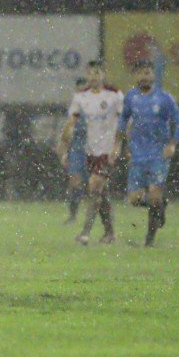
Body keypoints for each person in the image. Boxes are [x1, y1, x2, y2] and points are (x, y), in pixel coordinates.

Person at [115, 59, 179, 246]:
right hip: (137, 155)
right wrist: (121, 145)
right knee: (134, 199)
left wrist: (172, 144)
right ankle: (160, 205)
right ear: (135, 76)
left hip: (158, 155)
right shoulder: (131, 97)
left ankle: (149, 240)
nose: (144, 76)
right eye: (141, 73)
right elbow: (123, 120)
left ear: (153, 75)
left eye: (147, 73)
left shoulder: (164, 98)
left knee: (154, 194)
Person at [57, 61, 123, 245]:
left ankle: (85, 233)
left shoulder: (114, 94)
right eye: (90, 73)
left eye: (97, 73)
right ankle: (110, 233)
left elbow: (124, 122)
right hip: (90, 150)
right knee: (101, 192)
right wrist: (63, 144)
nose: (93, 77)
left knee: (94, 188)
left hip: (107, 150)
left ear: (104, 74)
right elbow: (71, 122)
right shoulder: (81, 97)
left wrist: (118, 146)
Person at [61, 78, 89, 224]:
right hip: (77, 149)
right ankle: (73, 215)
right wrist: (65, 151)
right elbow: (67, 132)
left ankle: (98, 215)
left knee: (96, 185)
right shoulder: (73, 109)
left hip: (94, 149)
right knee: (75, 183)